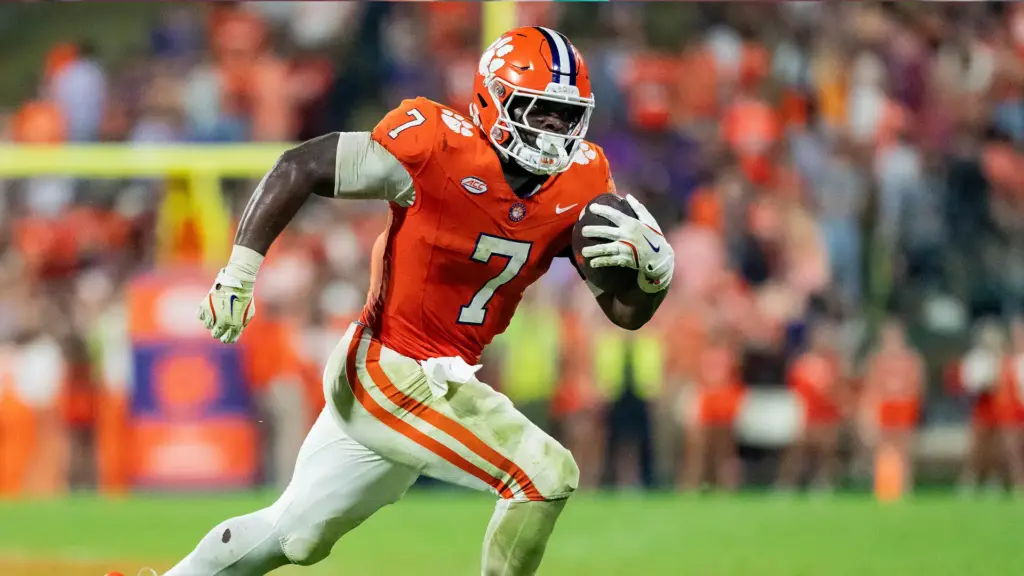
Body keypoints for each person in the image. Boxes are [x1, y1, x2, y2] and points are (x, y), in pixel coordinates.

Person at [164, 27, 674, 576]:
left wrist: (652, 278)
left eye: (564, 116)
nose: (553, 130)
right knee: (544, 475)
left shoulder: (583, 180)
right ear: (494, 99)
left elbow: (624, 315)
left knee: (295, 535)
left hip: (441, 379)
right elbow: (301, 164)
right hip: (387, 366)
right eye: (538, 111)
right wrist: (240, 273)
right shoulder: (435, 144)